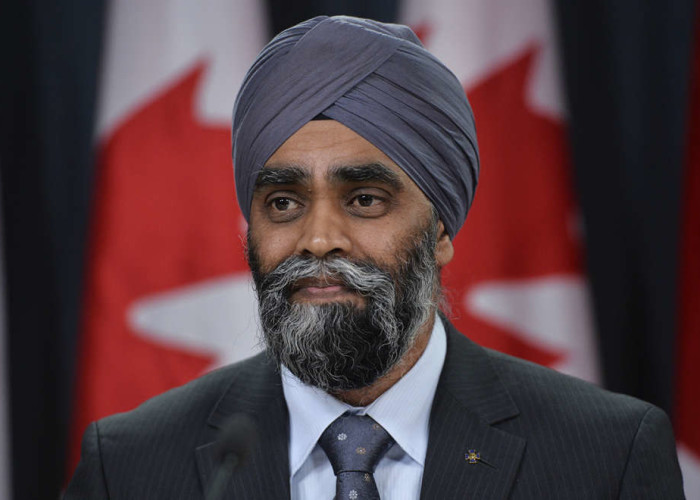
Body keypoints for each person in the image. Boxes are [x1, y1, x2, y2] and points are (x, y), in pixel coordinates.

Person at [65, 16, 684, 499]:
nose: (316, 238)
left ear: (441, 229)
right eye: (282, 202)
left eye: (363, 199)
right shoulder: (130, 464)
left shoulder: (606, 455)